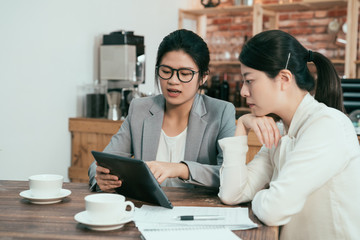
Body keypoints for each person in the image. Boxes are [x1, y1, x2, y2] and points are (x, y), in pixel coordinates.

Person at [218, 30, 360, 240]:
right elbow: (232, 194)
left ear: (284, 78)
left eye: (249, 81)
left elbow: (273, 209)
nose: (243, 92)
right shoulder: (282, 130)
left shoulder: (327, 125)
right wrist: (242, 126)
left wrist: (259, 196)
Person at [89, 29, 236, 192]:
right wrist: (100, 176)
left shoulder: (222, 112)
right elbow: (102, 163)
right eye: (166, 71)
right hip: (148, 208)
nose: (173, 81)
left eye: (185, 74)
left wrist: (180, 169)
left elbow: (230, 174)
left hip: (197, 211)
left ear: (203, 77)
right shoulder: (140, 109)